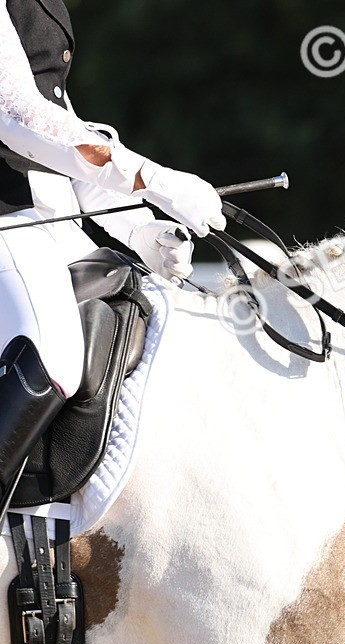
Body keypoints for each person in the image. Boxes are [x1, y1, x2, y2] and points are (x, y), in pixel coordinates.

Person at [0, 0, 225, 516]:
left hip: (43, 219)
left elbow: (60, 122)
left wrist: (137, 225)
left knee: (159, 317)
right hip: (6, 219)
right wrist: (153, 178)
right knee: (53, 354)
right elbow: (17, 116)